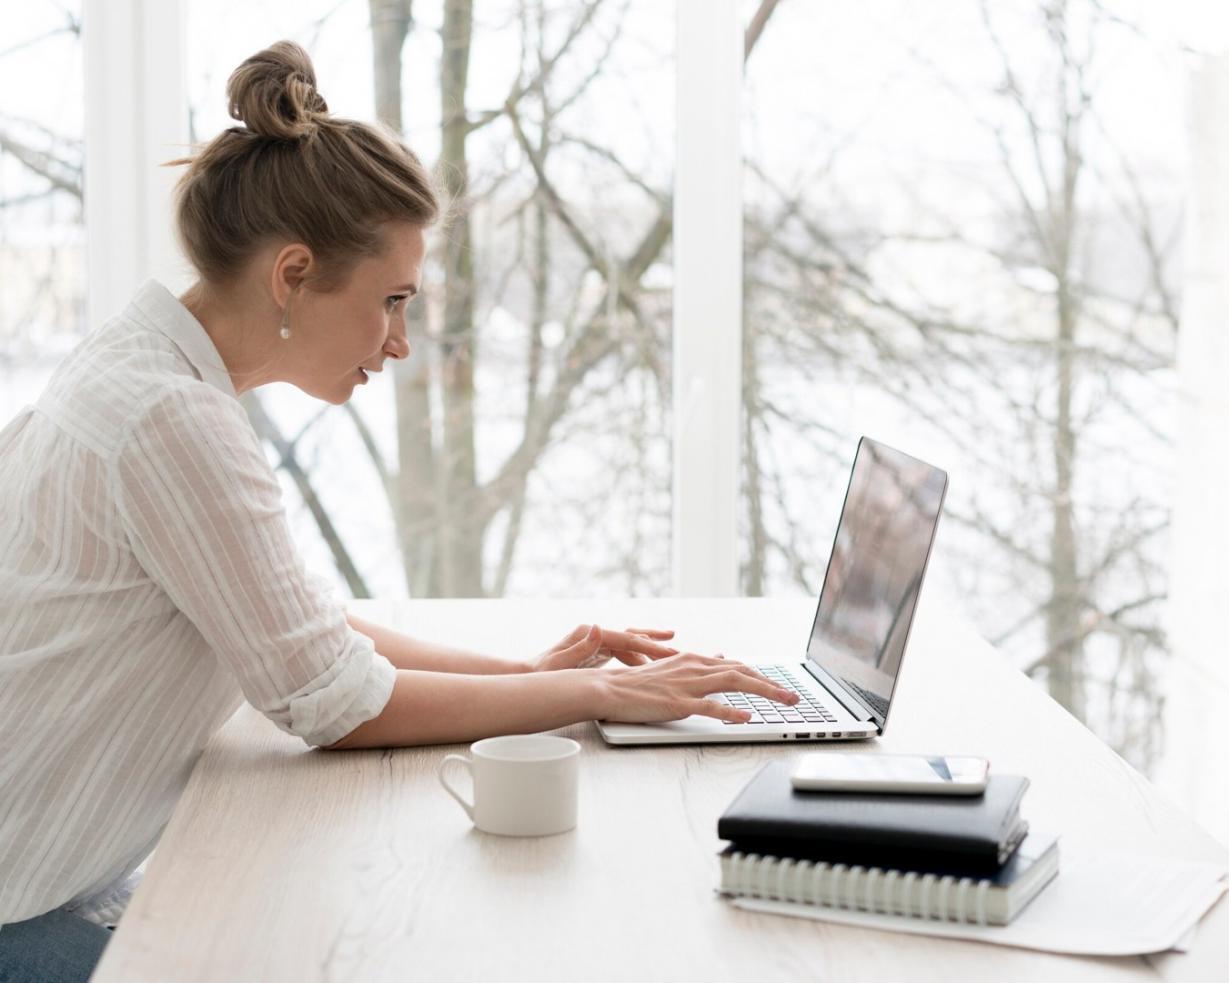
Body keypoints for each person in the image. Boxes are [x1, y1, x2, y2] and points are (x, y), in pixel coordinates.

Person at [0, 40, 797, 980]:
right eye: (390, 300)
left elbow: (294, 631)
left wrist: (518, 675)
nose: (401, 341)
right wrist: (596, 693)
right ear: (293, 275)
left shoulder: (141, 364)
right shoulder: (172, 418)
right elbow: (332, 701)